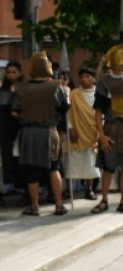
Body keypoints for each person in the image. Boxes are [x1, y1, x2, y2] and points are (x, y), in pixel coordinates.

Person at [11, 52, 70, 216]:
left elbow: (14, 112)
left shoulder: (22, 88)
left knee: (32, 170)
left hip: (29, 132)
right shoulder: (56, 87)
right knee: (54, 168)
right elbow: (64, 109)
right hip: (50, 132)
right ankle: (59, 205)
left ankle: (35, 207)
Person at [93, 44, 123, 216]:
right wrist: (102, 135)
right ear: (117, 61)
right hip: (111, 128)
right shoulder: (105, 82)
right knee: (108, 167)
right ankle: (104, 200)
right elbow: (98, 112)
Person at [65, 67, 100, 201]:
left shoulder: (98, 94)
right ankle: (68, 190)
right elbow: (68, 113)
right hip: (75, 132)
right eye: (82, 76)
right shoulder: (73, 94)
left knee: (90, 162)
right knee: (71, 161)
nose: (84, 79)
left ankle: (89, 189)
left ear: (93, 78)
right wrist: (70, 128)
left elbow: (100, 113)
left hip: (92, 131)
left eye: (87, 76)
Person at [0, 61, 24, 200]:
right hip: (5, 130)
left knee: (21, 157)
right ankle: (7, 186)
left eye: (14, 72)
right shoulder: (2, 90)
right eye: (8, 72)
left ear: (20, 73)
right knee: (6, 158)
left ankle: (23, 189)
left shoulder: (26, 89)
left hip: (22, 127)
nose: (11, 75)